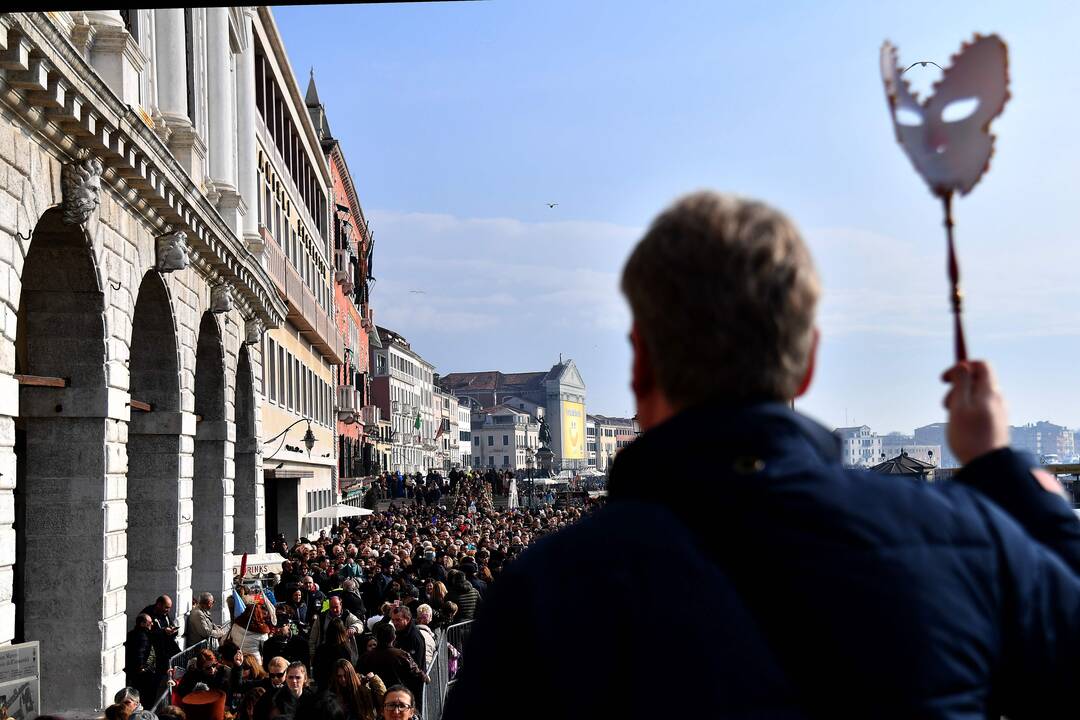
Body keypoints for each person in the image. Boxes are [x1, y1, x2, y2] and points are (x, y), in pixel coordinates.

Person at [443, 191, 1080, 720]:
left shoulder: (541, 600)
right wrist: (1004, 472)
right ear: (807, 364)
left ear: (640, 365)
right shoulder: (971, 543)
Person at [356, 624, 428, 703]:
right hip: (397, 697)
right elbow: (415, 671)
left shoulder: (365, 657)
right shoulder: (401, 655)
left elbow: (358, 675)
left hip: (374, 700)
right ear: (394, 637)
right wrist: (424, 676)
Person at [123, 614, 160, 705]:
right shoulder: (142, 636)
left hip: (136, 671)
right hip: (143, 673)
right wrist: (141, 667)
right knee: (145, 695)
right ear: (142, 624)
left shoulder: (133, 633)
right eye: (150, 623)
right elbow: (139, 652)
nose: (152, 624)